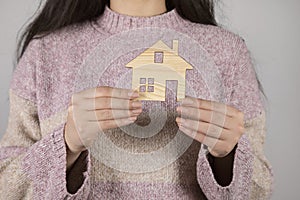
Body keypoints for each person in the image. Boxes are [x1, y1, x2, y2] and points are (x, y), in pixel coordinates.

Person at [0, 0, 273, 199]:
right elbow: (7, 186)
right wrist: (67, 144)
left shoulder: (228, 52)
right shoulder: (45, 52)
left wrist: (227, 157)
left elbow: (260, 188)